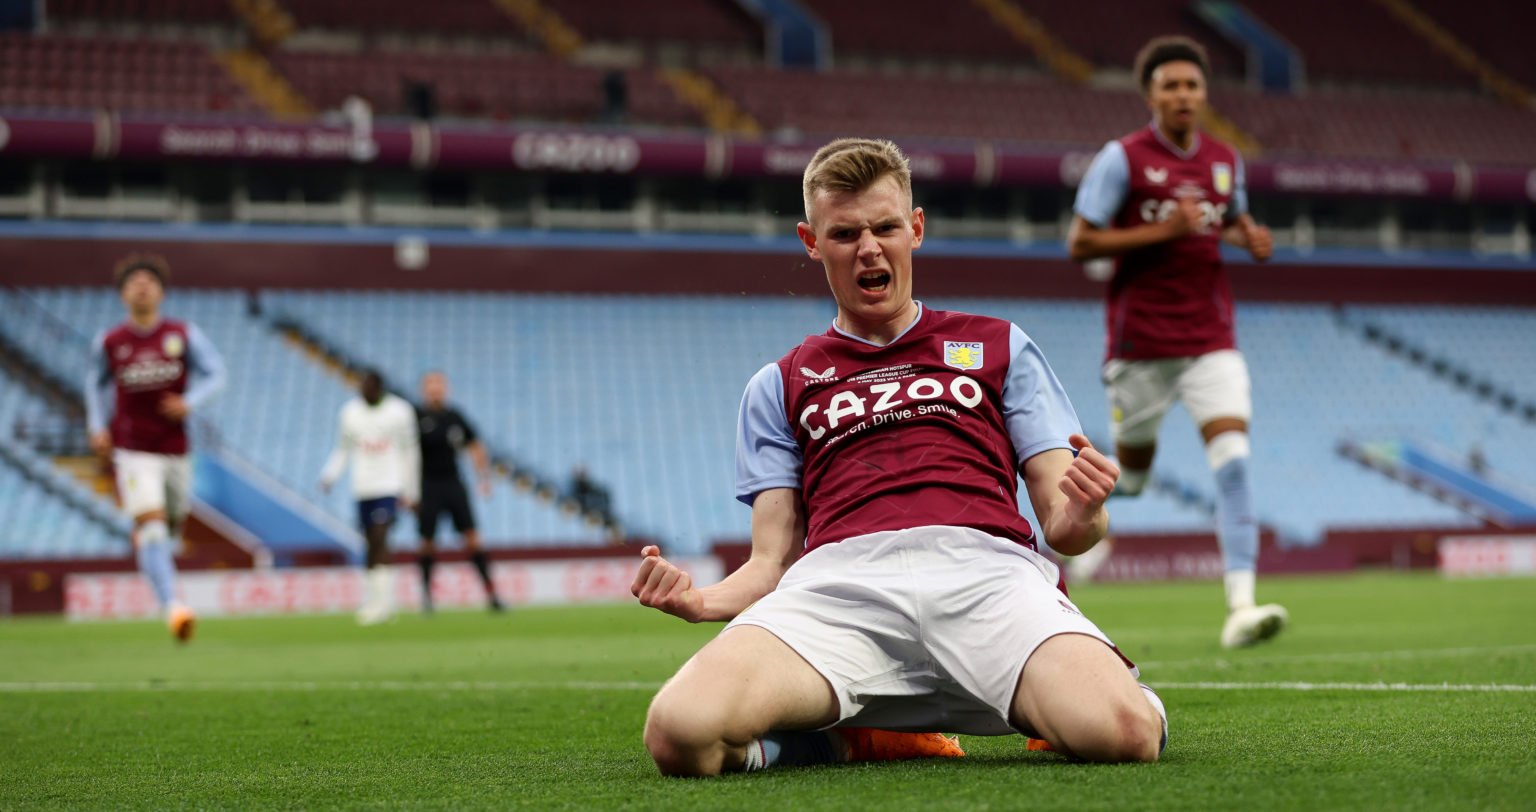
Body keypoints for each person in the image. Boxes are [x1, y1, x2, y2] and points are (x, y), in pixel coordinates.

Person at [630, 138, 1166, 777]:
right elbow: (770, 561)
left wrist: (1087, 509)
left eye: (885, 227)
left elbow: (1065, 527)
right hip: (839, 590)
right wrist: (703, 601)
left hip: (987, 578)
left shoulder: (999, 345)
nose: (868, 248)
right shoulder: (779, 383)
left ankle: (1109, 692)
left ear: (915, 229)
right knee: (678, 733)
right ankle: (841, 739)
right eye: (845, 233)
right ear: (811, 241)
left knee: (1124, 732)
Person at [1066, 35, 1287, 648]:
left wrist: (1248, 237)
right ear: (1151, 95)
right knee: (1131, 479)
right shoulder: (1123, 159)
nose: (1184, 95)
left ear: (1204, 93)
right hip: (1141, 347)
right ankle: (1094, 534)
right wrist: (1162, 230)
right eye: (1171, 85)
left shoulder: (1224, 159)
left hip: (1212, 339)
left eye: (1193, 85)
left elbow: (1230, 217)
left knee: (1234, 465)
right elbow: (1080, 242)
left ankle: (1240, 608)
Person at [85, 253, 227, 643]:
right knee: (152, 528)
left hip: (176, 449)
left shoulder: (182, 334)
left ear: (162, 292)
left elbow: (217, 373)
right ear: (122, 295)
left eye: (149, 282)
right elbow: (95, 385)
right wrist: (98, 425)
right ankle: (174, 608)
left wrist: (190, 402)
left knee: (172, 525)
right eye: (134, 283)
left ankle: (152, 537)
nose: (142, 287)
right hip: (133, 450)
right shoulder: (111, 342)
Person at [320, 369, 420, 625]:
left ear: (379, 387)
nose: (363, 390)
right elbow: (343, 448)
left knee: (380, 535)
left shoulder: (400, 411)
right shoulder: (349, 413)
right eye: (361, 386)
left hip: (390, 485)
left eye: (368, 386)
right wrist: (330, 475)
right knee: (370, 544)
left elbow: (410, 451)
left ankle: (385, 603)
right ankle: (375, 600)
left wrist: (411, 490)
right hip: (363, 487)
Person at [415, 370, 502, 614]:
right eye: (431, 385)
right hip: (427, 485)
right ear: (424, 390)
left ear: (446, 388)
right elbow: (405, 454)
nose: (435, 390)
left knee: (473, 538)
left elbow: (475, 445)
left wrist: (483, 478)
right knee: (427, 543)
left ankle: (492, 594)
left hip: (453, 484)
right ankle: (426, 598)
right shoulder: (415, 417)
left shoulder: (455, 416)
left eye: (439, 385)